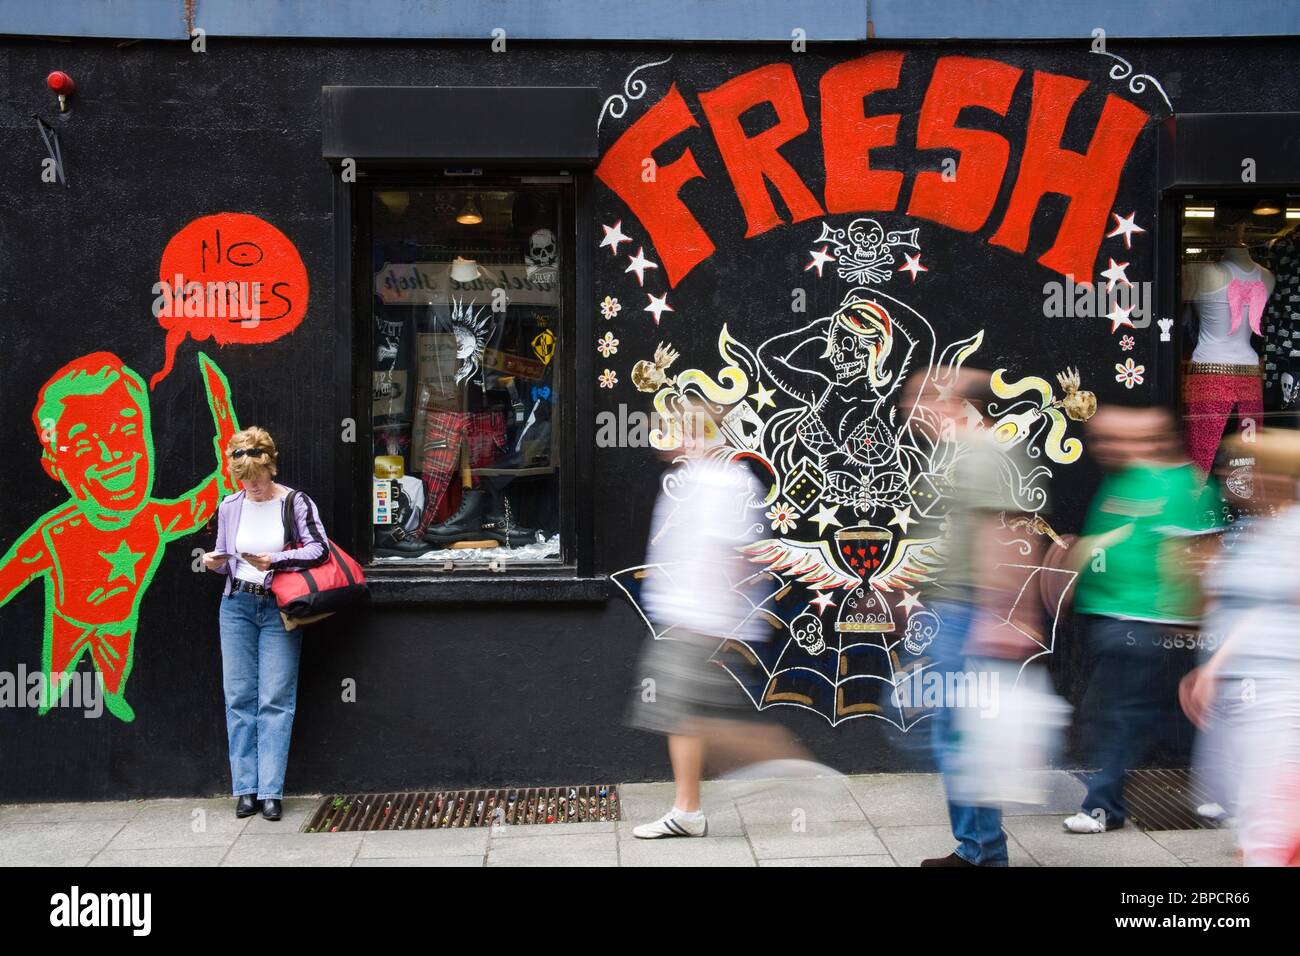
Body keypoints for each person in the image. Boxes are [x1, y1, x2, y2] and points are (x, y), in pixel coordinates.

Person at [0, 351, 237, 722]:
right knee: (58, 666)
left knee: (113, 668)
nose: (113, 454)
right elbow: (10, 575)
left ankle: (112, 694)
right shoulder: (56, 532)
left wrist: (225, 476)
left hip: (120, 622)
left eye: (127, 430)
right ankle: (49, 693)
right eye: (83, 445)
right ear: (56, 467)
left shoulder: (154, 518)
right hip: (69, 620)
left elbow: (196, 506)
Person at [628, 401, 811, 839]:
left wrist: (719, 622)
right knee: (679, 714)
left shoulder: (723, 482)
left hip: (701, 619)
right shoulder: (692, 479)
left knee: (686, 716)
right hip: (683, 615)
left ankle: (791, 762)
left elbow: (737, 557)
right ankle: (687, 810)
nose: (675, 439)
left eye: (685, 430)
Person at [909, 368, 1048, 867]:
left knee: (959, 734)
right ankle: (978, 847)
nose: (912, 406)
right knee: (958, 731)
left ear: (952, 402)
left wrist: (1001, 615)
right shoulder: (957, 455)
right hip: (954, 609)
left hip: (968, 612)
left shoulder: (981, 454)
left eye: (923, 396)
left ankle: (981, 853)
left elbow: (1005, 534)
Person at [1061, 405, 1220, 834]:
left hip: (1151, 622)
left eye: (1119, 438)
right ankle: (1217, 791)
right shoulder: (1122, 479)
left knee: (1124, 716)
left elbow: (1198, 557)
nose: (1107, 448)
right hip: (1108, 616)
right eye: (1102, 439)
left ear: (1158, 439)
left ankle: (1102, 807)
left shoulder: (1189, 487)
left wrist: (1189, 621)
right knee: (1153, 714)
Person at [1182, 430, 1300, 865]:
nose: (1234, 475)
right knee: (1254, 813)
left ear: (1278, 477)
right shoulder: (1256, 531)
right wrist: (1213, 669)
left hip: (1281, 690)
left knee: (1268, 820)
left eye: (1247, 468)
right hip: (1241, 693)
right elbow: (1251, 609)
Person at [202, 427, 328, 821]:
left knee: (275, 698)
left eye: (257, 477)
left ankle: (271, 792)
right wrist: (215, 561)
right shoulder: (229, 506)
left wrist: (276, 560)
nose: (251, 486)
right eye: (244, 479)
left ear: (270, 466)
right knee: (238, 698)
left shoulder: (294, 502)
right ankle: (246, 790)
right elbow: (226, 553)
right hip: (236, 604)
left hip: (279, 608)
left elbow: (320, 548)